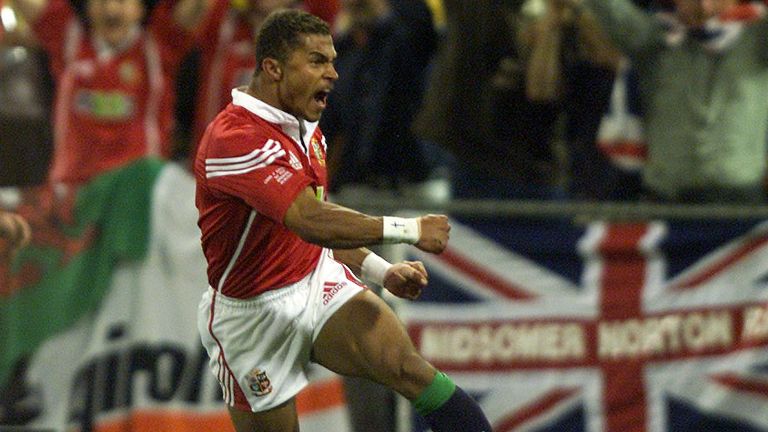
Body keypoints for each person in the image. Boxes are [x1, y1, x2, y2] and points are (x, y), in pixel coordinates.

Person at [194, 9, 492, 432]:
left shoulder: (306, 127)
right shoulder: (234, 139)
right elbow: (310, 220)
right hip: (251, 317)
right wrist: (408, 230)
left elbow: (325, 227)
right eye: (317, 61)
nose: (332, 73)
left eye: (333, 60)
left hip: (315, 282)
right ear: (273, 68)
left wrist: (381, 270)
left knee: (409, 370)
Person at [3, 0, 209, 187]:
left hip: (137, 193)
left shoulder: (159, 43)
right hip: (74, 192)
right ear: (88, 7)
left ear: (140, 8)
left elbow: (197, 7)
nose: (111, 10)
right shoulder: (67, 36)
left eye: (121, 2)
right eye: (101, 2)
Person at [580, 0, 768, 203]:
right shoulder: (655, 41)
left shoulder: (757, 38)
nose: (703, 4)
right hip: (668, 203)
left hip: (740, 205)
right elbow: (610, 9)